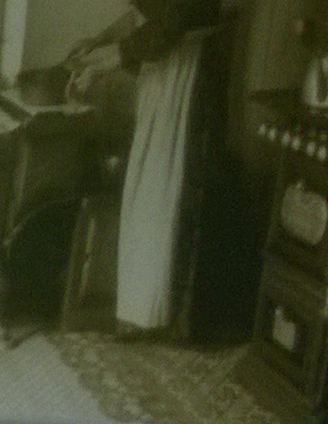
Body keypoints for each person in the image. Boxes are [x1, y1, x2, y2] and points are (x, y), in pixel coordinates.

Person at [69, 0, 230, 334]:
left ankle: (154, 313)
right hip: (162, 62)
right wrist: (102, 40)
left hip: (184, 70)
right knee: (146, 183)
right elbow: (144, 11)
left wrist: (112, 57)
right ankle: (139, 307)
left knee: (160, 187)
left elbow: (173, 24)